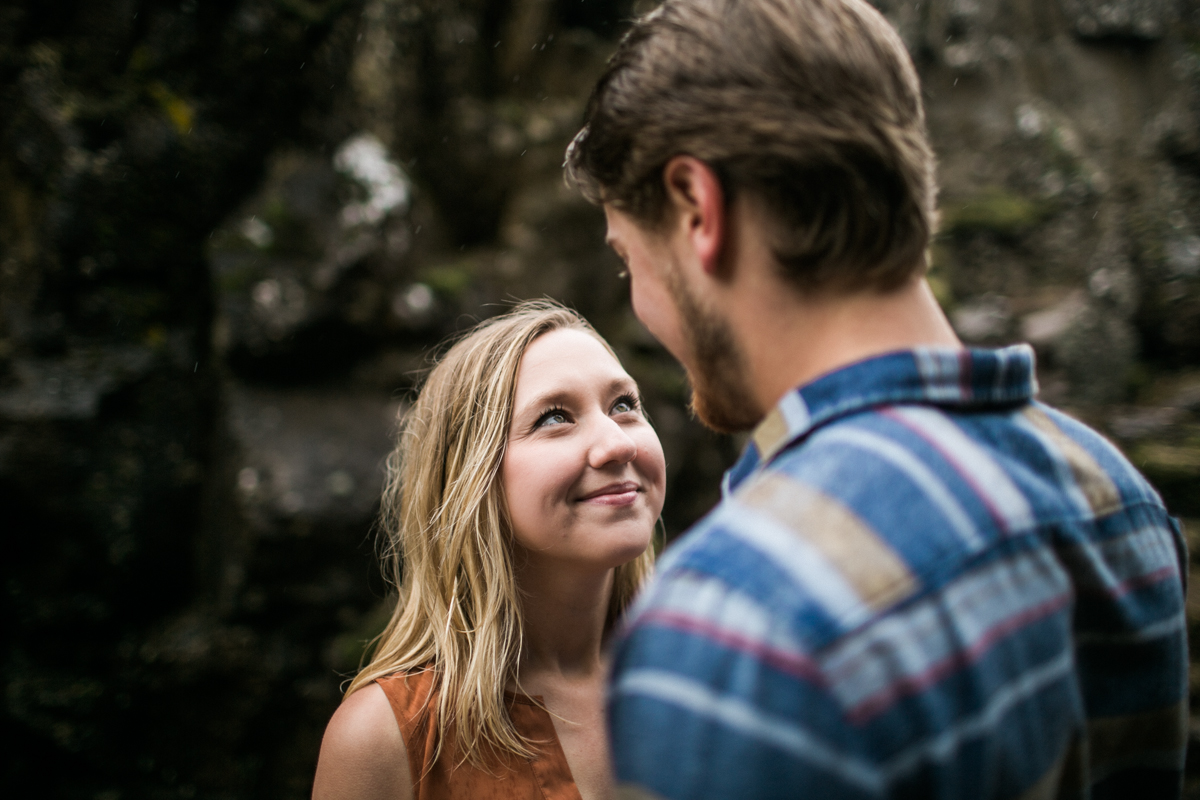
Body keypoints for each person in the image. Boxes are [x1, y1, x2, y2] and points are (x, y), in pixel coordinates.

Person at [564, 0, 1189, 797]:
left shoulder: (735, 622)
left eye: (629, 259)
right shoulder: (1114, 493)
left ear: (697, 208)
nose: (640, 308)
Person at [310, 300, 667, 800]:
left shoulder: (714, 677)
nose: (617, 444)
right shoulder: (389, 739)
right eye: (555, 417)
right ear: (470, 481)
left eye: (624, 405)